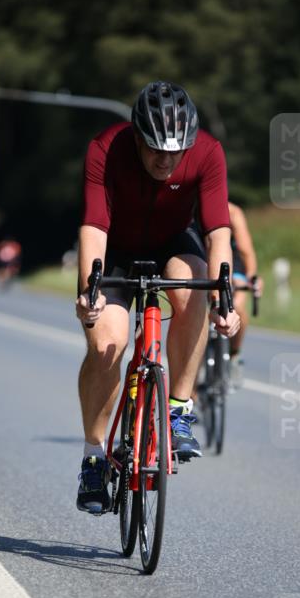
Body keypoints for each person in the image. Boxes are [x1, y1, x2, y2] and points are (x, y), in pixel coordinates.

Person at [75, 81, 239, 514]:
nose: (165, 160)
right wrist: (89, 293)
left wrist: (225, 301)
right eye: (154, 150)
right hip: (116, 248)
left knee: (194, 284)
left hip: (172, 241)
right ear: (136, 136)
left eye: (175, 151)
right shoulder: (105, 148)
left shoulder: (207, 152)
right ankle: (94, 456)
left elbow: (218, 230)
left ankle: (178, 409)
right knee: (107, 344)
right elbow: (93, 226)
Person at [227, 201, 263, 389]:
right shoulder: (189, 206)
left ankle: (234, 354)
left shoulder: (233, 213)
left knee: (238, 306)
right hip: (202, 258)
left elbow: (246, 251)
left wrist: (252, 278)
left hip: (233, 262)